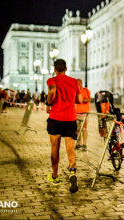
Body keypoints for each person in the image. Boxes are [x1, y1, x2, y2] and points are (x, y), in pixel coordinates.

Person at [46, 59, 83, 193]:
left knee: (55, 147)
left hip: (55, 118)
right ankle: (72, 172)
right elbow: (79, 100)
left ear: (55, 69)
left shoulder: (52, 80)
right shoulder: (74, 81)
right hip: (70, 118)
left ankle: (55, 176)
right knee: (70, 148)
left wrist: (49, 103)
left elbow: (52, 91)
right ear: (66, 68)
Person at [75, 79, 91, 150]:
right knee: (77, 129)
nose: (78, 84)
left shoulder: (86, 90)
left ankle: (84, 144)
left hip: (85, 113)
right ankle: (79, 143)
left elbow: (88, 99)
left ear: (82, 83)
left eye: (79, 83)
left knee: (84, 129)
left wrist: (80, 100)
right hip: (76, 113)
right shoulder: (74, 91)